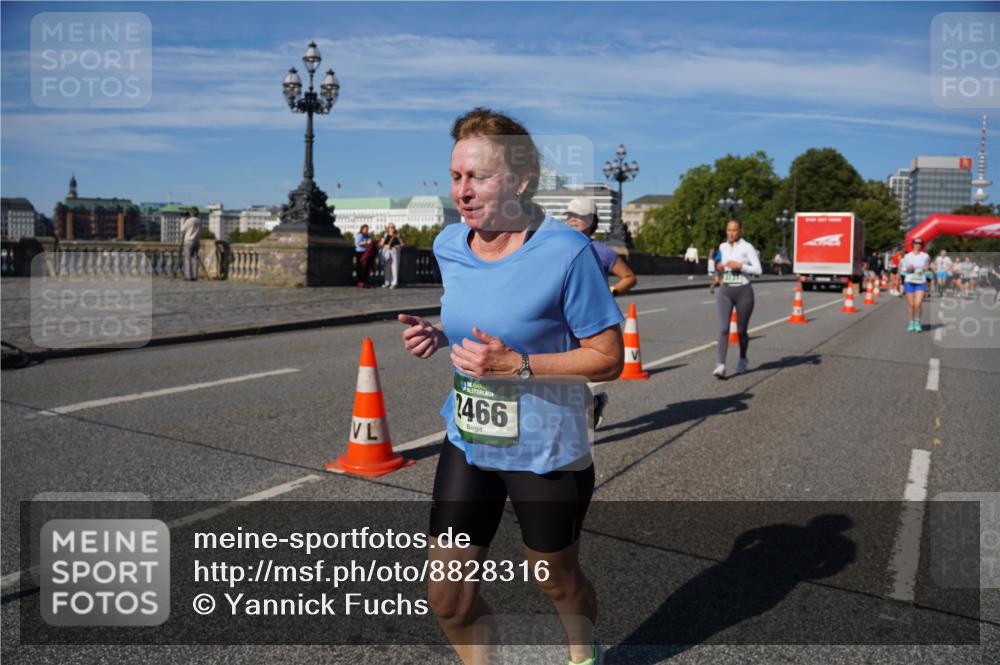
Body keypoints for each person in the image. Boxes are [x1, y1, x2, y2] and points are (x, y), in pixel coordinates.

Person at [397, 107, 624, 665]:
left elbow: (609, 357)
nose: (463, 191)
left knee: (555, 579)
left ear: (521, 180)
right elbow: (484, 323)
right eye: (456, 177)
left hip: (545, 450)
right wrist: (442, 336)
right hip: (470, 438)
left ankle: (582, 649)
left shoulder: (567, 253)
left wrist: (519, 366)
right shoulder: (451, 245)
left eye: (478, 176)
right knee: (447, 598)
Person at [564, 196, 637, 430]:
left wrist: (612, 291)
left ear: (592, 221)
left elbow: (629, 277)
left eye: (578, 216)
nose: (572, 220)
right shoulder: (557, 246)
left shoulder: (601, 251)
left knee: (569, 369)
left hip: (589, 319)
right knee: (564, 369)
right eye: (569, 215)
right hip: (562, 315)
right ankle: (591, 403)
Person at [713, 219, 762, 378]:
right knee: (723, 328)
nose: (731, 233)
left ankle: (742, 358)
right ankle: (720, 365)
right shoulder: (722, 246)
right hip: (725, 290)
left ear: (740, 231)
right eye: (728, 230)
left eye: (734, 230)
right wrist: (719, 267)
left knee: (741, 331)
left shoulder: (747, 247)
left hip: (743, 291)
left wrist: (741, 266)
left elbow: (758, 270)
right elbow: (719, 263)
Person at [899, 237, 931, 332]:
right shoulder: (907, 256)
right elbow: (903, 269)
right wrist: (908, 268)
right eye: (916, 242)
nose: (918, 244)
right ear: (913, 244)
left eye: (920, 243)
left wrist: (926, 268)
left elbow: (927, 267)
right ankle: (911, 322)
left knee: (918, 304)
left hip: (920, 281)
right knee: (911, 304)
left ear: (922, 245)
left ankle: (917, 322)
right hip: (909, 281)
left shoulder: (925, 256)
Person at [179, 207, 202, 281]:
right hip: (197, 241)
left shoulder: (189, 221)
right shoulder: (199, 221)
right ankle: (195, 276)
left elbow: (182, 230)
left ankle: (188, 276)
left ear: (191, 213)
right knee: (195, 258)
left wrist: (183, 221)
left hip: (189, 241)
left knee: (188, 258)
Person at [379, 222, 404, 288]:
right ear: (388, 228)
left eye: (393, 227)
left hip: (395, 252)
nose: (392, 228)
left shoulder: (397, 235)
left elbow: (402, 244)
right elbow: (381, 244)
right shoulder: (385, 235)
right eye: (391, 227)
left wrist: (396, 246)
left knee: (395, 267)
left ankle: (394, 283)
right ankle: (387, 282)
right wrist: (386, 245)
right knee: (386, 267)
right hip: (387, 252)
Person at [354, 224, 376, 288]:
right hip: (360, 253)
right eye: (365, 229)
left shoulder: (368, 236)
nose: (366, 230)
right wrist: (366, 242)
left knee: (366, 268)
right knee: (360, 268)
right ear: (362, 229)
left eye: (367, 229)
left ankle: (365, 281)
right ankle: (360, 281)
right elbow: (357, 243)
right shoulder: (359, 235)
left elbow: (371, 242)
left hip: (367, 253)